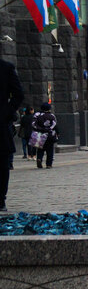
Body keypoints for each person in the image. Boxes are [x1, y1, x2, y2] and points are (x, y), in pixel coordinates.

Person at [0, 59, 24, 211]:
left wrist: (4, 114)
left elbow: (18, 95)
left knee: (2, 165)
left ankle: (0, 199)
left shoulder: (5, 68)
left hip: (0, 126)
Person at [32, 103, 57, 168]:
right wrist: (48, 129)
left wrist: (39, 129)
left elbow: (33, 124)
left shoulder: (37, 115)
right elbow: (54, 124)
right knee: (50, 150)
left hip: (40, 134)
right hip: (49, 134)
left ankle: (39, 158)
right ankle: (49, 164)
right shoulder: (52, 115)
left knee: (40, 149)